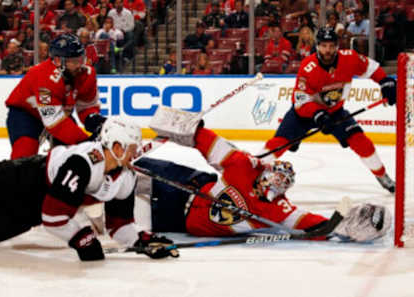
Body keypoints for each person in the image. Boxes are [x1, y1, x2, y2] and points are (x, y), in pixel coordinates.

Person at [0, 118, 179, 261]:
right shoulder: (83, 163)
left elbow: (119, 225)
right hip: (23, 176)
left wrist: (140, 241)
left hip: (33, 206)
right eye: (131, 147)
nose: (136, 153)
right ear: (115, 146)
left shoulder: (126, 178)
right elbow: (54, 217)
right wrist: (80, 238)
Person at [136, 107, 390, 242]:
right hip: (188, 183)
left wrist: (346, 225)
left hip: (180, 220)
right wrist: (186, 126)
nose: (276, 185)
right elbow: (209, 142)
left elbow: (315, 225)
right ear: (268, 172)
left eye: (283, 184)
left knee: (122, 205)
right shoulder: (244, 165)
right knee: (130, 169)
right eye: (276, 177)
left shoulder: (279, 210)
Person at [260, 27, 397, 193]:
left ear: (337, 46)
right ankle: (252, 169)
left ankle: (382, 176)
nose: (328, 50)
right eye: (324, 46)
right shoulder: (308, 66)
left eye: (331, 46)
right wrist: (317, 114)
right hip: (304, 114)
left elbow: (372, 68)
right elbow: (300, 100)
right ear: (317, 46)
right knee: (278, 144)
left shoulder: (349, 58)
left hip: (335, 112)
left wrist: (384, 81)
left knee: (361, 142)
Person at [5, 33, 103, 160]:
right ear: (58, 61)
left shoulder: (86, 74)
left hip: (59, 114)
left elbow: (86, 106)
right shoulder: (43, 77)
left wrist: (94, 120)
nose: (79, 65)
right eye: (73, 61)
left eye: (81, 59)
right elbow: (56, 124)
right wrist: (86, 141)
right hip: (26, 115)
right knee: (23, 158)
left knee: (69, 157)